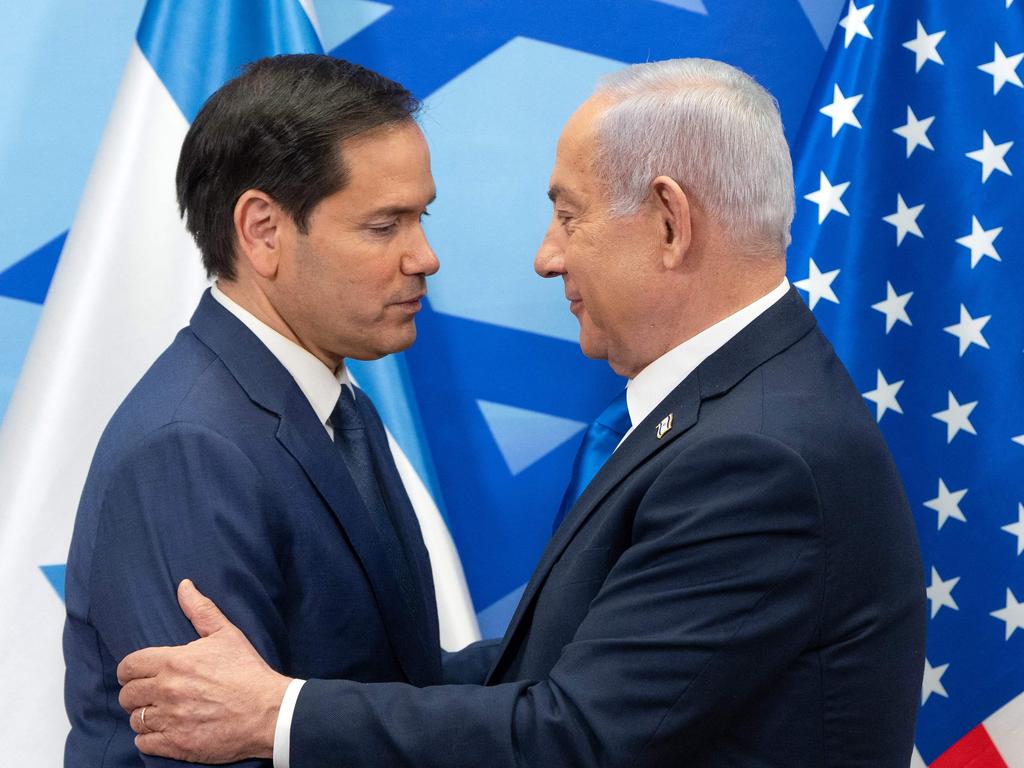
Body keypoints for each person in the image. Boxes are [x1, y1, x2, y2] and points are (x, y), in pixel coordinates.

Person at [117, 58, 927, 767]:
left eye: (568, 215)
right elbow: (567, 666)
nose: (547, 255)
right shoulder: (744, 409)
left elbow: (573, 733)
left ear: (671, 224)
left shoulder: (759, 453)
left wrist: (275, 714)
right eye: (384, 223)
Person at [63, 54, 445, 767]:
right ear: (263, 230)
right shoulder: (190, 447)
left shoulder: (332, 407)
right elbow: (214, 749)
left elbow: (391, 676)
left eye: (421, 217)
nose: (424, 257)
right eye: (384, 225)